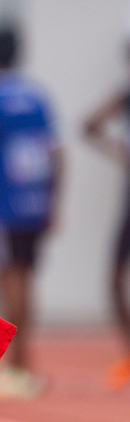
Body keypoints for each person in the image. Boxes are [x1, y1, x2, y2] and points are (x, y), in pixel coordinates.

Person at [0, 26, 62, 398]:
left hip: (2, 204)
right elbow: (56, 152)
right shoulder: (37, 97)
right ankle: (24, 363)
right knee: (28, 280)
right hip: (34, 200)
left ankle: (16, 367)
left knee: (8, 281)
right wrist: (53, 200)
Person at [82, 46, 130, 388]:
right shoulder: (125, 96)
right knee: (114, 277)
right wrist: (119, 151)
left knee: (115, 277)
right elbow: (88, 125)